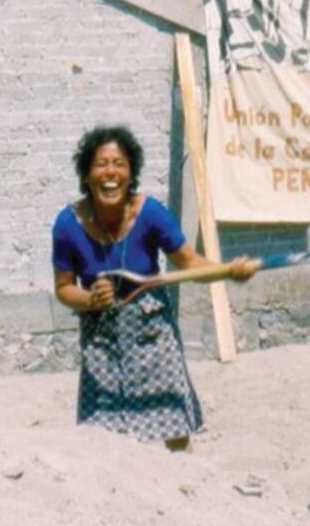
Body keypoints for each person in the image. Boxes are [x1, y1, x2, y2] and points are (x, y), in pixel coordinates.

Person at [51, 125, 257, 451]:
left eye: (119, 164)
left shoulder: (151, 214)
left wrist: (227, 271)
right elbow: (64, 289)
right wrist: (90, 298)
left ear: (131, 173)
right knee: (103, 432)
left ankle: (180, 482)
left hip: (152, 334)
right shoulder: (67, 225)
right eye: (101, 164)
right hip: (101, 339)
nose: (110, 173)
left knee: (170, 419)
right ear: (86, 175)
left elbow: (189, 263)